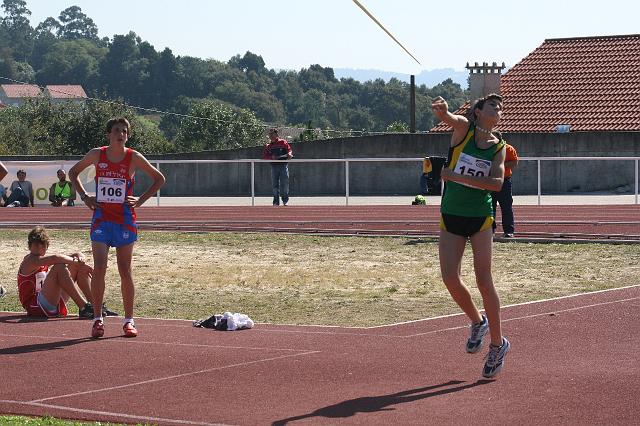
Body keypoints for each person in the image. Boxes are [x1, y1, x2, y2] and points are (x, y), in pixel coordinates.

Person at [431, 93, 510, 378]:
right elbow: (450, 119)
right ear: (477, 111)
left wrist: (457, 177)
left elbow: (497, 183)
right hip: (452, 213)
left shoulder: (499, 146)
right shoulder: (464, 129)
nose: (497, 109)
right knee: (450, 277)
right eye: (492, 105)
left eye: (500, 107)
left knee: (483, 280)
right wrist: (443, 113)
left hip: (479, 218)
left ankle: (498, 344)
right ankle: (478, 322)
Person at [69, 117, 165, 339]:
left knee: (125, 270)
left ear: (127, 136)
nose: (120, 133)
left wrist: (140, 200)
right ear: (108, 135)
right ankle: (97, 319)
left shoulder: (133, 157)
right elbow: (73, 173)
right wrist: (84, 196)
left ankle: (129, 320)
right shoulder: (97, 154)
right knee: (100, 267)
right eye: (116, 130)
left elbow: (159, 179)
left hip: (124, 219)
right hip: (102, 218)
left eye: (124, 131)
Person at [17, 226, 93, 318]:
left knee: (75, 265)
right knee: (59, 267)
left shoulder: (41, 260)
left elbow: (69, 257)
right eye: (37, 244)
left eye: (41, 244)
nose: (40, 247)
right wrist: (78, 262)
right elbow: (56, 258)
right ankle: (84, 307)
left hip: (49, 300)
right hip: (35, 305)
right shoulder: (30, 260)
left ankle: (95, 305)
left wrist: (80, 257)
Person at [492, 143, 518, 238]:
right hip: (490, 181)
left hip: (505, 181)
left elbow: (514, 162)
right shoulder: (485, 147)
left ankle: (508, 231)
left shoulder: (508, 148)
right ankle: (490, 231)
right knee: (489, 207)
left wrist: (499, 165)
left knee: (506, 207)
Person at [262, 128, 293, 206]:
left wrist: (289, 154)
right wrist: (271, 157)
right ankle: (276, 201)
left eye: (272, 134)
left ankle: (285, 200)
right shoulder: (268, 146)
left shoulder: (283, 142)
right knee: (275, 185)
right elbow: (265, 157)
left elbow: (289, 150)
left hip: (283, 165)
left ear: (276, 135)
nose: (271, 136)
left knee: (285, 183)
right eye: (270, 134)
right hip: (274, 167)